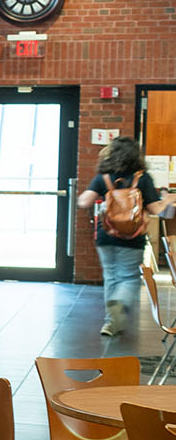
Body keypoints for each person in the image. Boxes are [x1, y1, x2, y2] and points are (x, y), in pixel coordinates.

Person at [77, 136, 161, 339]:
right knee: (129, 277)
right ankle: (120, 305)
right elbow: (154, 208)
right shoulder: (142, 178)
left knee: (112, 277)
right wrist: (166, 200)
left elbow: (84, 202)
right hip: (132, 238)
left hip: (106, 236)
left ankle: (111, 322)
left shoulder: (104, 177)